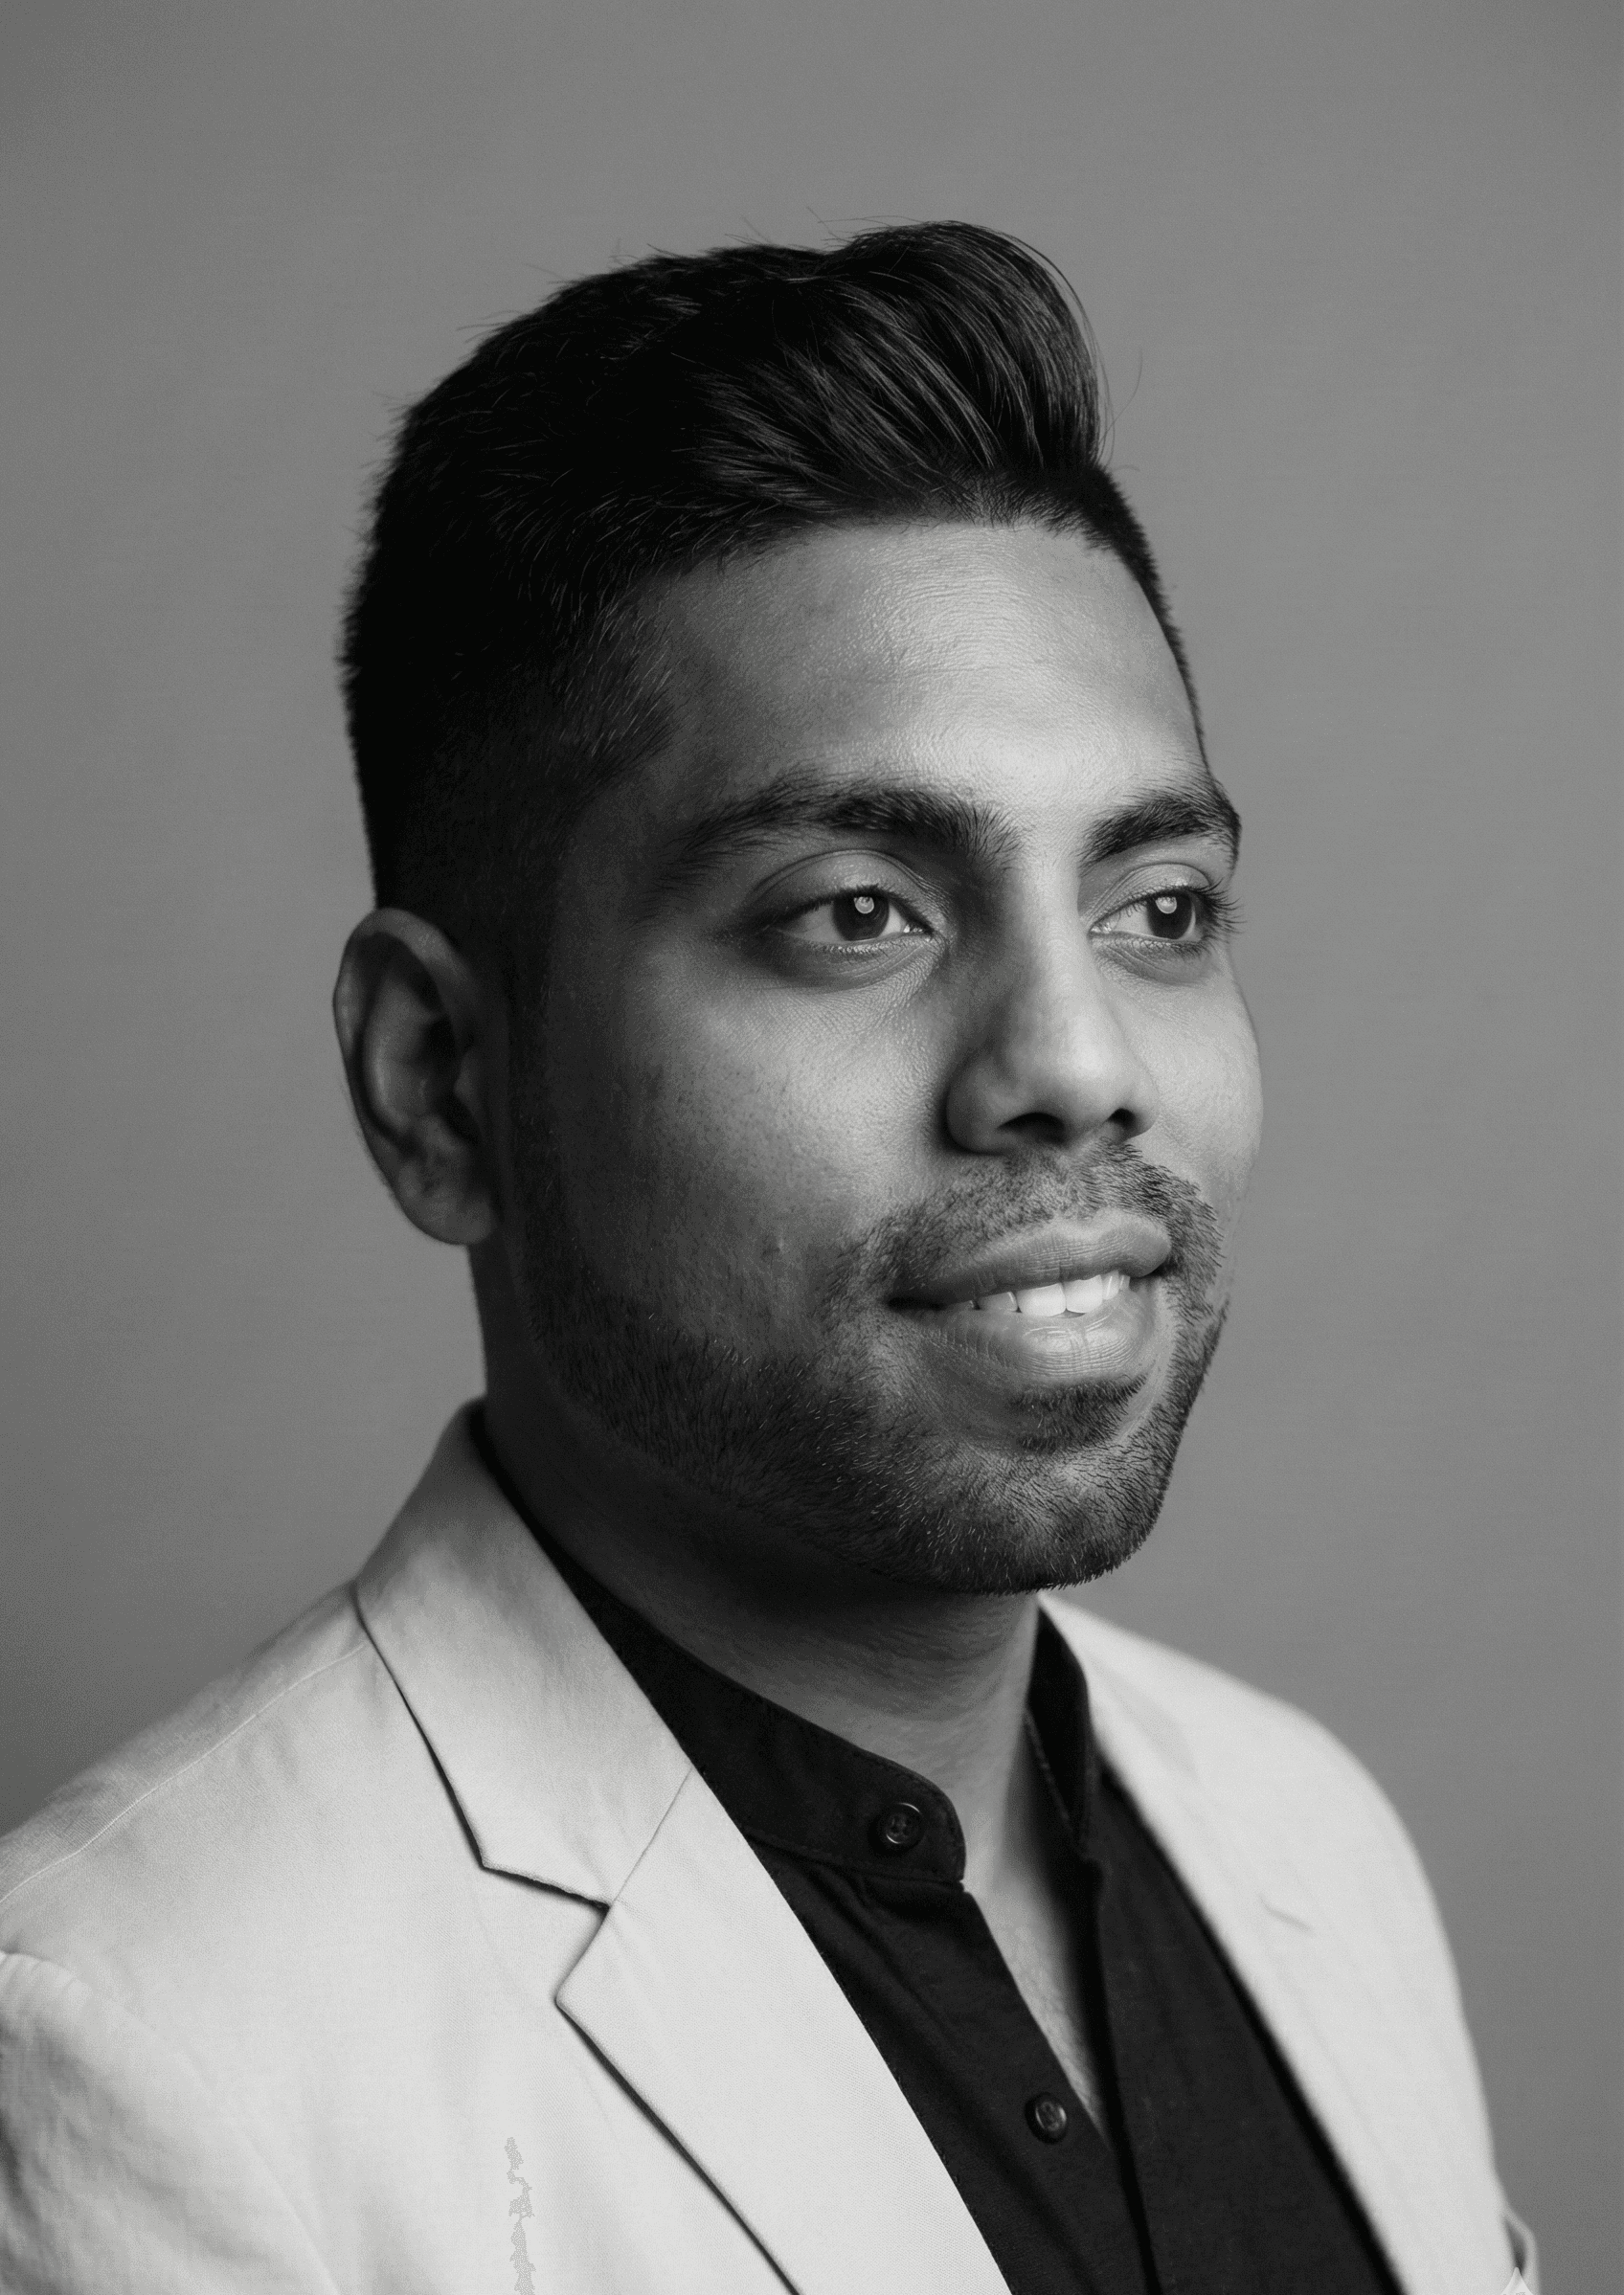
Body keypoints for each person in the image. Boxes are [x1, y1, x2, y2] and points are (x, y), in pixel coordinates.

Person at [0, 223, 1534, 2295]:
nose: (1074, 1065)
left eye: (1157, 906)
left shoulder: (1305, 1837)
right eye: (855, 912)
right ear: (442, 1082)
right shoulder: (136, 2049)